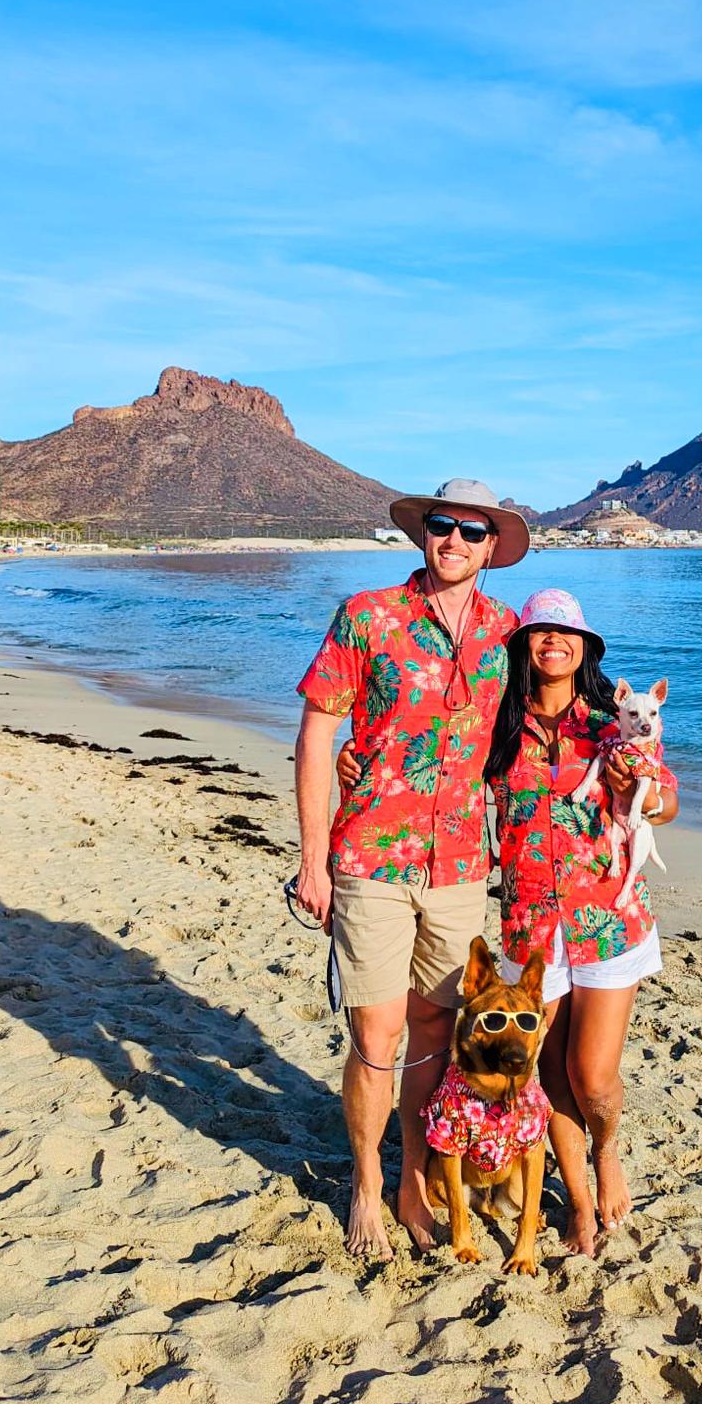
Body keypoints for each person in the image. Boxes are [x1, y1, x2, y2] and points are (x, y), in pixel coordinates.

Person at [293, 479, 529, 1259]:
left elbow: (546, 725)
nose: (454, 541)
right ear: (421, 534)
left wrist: (636, 773)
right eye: (442, 526)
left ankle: (412, 1179)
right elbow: (319, 735)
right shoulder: (368, 616)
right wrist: (313, 859)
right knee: (377, 1034)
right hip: (370, 855)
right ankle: (367, 1184)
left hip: (464, 862)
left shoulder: (509, 632)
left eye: (471, 531)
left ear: (491, 546)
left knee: (435, 1030)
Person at [483, 590, 678, 1256]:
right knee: (551, 1074)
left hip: (608, 918)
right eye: (540, 632)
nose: (553, 643)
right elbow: (442, 774)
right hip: (532, 926)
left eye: (567, 634)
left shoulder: (613, 721)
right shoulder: (497, 722)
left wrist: (638, 798)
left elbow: (669, 800)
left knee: (592, 1077)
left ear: (585, 648)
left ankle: (608, 1148)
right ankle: (583, 1200)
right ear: (526, 645)